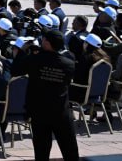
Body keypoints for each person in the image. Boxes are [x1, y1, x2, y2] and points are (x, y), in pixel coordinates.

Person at [14, 30, 79, 161]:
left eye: (43, 40)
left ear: (47, 43)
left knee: (41, 151)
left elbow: (16, 70)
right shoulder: (69, 64)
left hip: (40, 111)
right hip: (61, 110)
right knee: (70, 150)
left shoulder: (35, 59)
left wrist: (23, 52)